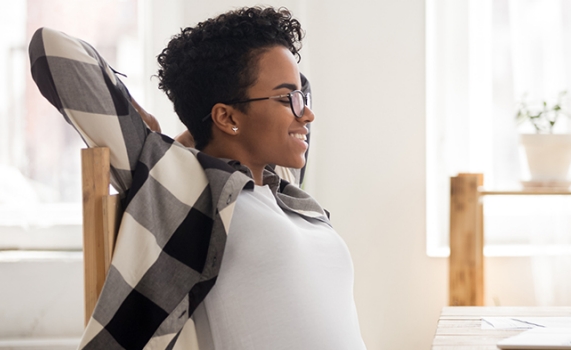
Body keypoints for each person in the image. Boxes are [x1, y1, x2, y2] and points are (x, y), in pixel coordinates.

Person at [29, 6, 365, 350]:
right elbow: (51, 49)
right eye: (287, 99)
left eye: (301, 99)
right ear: (226, 116)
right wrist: (156, 135)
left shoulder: (284, 185)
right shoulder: (183, 185)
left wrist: (202, 127)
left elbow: (293, 87)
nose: (307, 113)